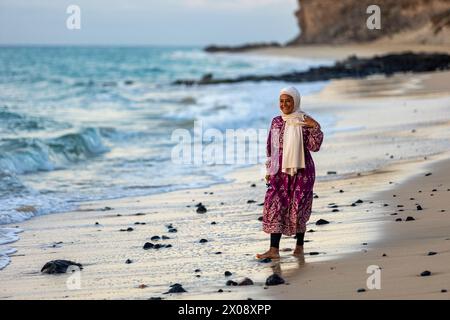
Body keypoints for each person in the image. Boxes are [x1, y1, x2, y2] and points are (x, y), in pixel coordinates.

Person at [256, 86, 324, 259]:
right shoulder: (276, 122)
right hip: (279, 172)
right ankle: (273, 250)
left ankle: (299, 246)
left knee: (298, 206)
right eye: (281, 101)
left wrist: (315, 126)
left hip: (302, 172)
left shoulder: (304, 120)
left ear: (296, 102)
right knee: (275, 205)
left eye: (288, 101)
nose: (284, 104)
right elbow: (271, 147)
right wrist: (269, 169)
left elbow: (314, 147)